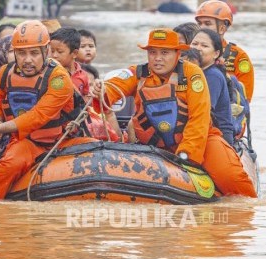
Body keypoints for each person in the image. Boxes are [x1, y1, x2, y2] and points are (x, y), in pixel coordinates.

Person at [90, 28, 256, 197]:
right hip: (152, 146)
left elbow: (199, 119)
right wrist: (101, 90)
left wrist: (186, 156)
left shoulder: (192, 74)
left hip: (200, 143)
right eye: (152, 52)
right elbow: (114, 86)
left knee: (232, 179)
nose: (158, 58)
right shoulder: (138, 73)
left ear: (177, 54)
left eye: (164, 52)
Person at [0, 20, 97, 199]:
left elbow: (39, 115)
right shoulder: (4, 73)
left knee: (100, 153)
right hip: (28, 142)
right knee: (7, 167)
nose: (28, 60)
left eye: (34, 53)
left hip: (63, 139)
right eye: (21, 53)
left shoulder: (59, 78)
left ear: (45, 51)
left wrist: (1, 128)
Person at [49, 28, 121, 142]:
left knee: (106, 132)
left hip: (79, 120)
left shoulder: (83, 75)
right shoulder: (48, 74)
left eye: (59, 52)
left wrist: (97, 93)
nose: (54, 55)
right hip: (58, 122)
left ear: (74, 54)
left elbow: (86, 100)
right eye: (51, 51)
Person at [195, 0, 254, 102]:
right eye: (199, 23)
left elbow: (245, 99)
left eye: (207, 24)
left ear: (222, 29)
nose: (202, 28)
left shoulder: (238, 56)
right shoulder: (189, 52)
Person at [190, 28, 234, 145]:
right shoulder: (191, 72)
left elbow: (204, 113)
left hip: (218, 135)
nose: (197, 48)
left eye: (204, 46)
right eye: (194, 44)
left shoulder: (213, 76)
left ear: (216, 54)